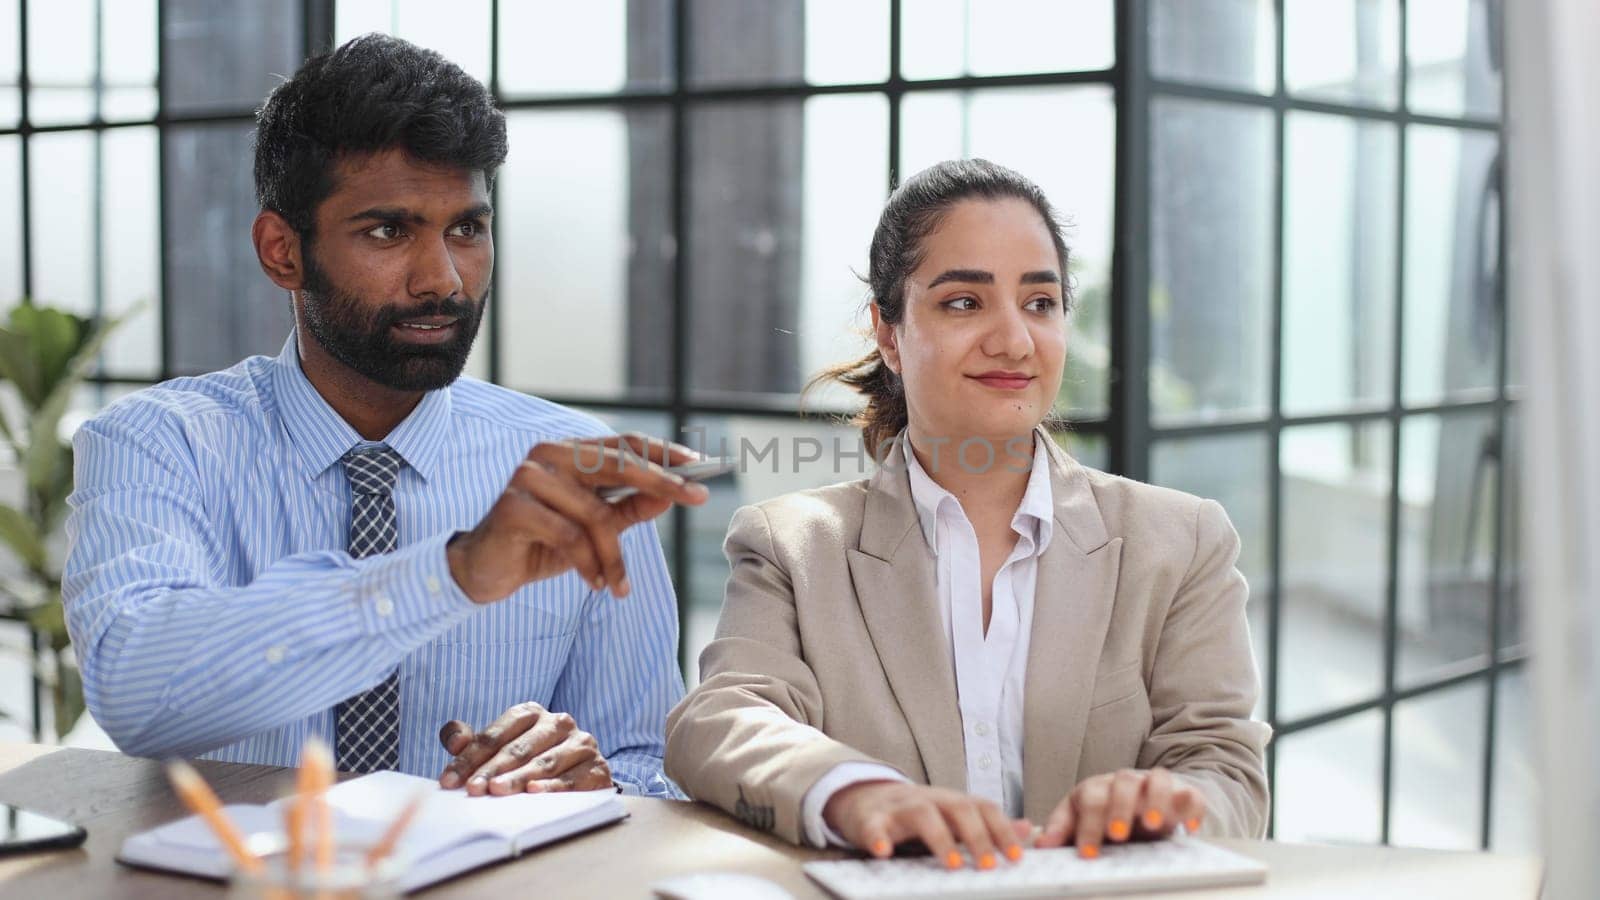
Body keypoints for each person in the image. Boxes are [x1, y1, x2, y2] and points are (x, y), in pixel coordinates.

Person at [62, 34, 705, 797]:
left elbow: (649, 767)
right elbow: (138, 693)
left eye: (466, 229)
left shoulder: (574, 462)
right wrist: (451, 574)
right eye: (387, 231)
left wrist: (593, 785)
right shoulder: (157, 443)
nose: (443, 280)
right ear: (281, 251)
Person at [664, 159, 1269, 865]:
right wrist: (856, 794)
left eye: (1039, 303)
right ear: (889, 335)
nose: (1014, 340)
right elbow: (720, 720)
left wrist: (1171, 806)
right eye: (964, 303)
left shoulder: (1181, 540)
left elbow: (1227, 773)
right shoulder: (793, 546)